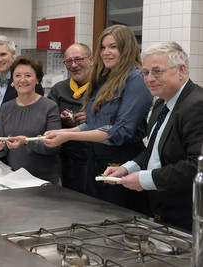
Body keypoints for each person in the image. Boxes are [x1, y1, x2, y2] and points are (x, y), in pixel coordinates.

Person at [42, 24, 153, 210]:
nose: (106, 52)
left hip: (122, 164)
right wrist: (60, 132)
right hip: (95, 163)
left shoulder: (137, 80)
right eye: (103, 47)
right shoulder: (105, 79)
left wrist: (68, 135)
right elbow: (92, 124)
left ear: (127, 48)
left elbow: (118, 132)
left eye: (113, 47)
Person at [103, 42, 203, 231]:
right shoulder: (160, 104)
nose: (149, 79)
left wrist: (146, 179)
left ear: (181, 70)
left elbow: (196, 166)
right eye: (145, 72)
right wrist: (127, 168)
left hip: (186, 213)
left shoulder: (197, 105)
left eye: (157, 72)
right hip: (158, 207)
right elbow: (154, 150)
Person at [0, 57, 61, 184]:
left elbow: (54, 147)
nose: (22, 80)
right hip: (13, 177)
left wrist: (26, 141)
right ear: (12, 79)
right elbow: (3, 148)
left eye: (28, 75)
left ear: (37, 80)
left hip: (42, 180)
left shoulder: (50, 107)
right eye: (17, 75)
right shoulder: (6, 108)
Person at [47, 43, 94, 192]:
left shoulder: (103, 88)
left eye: (78, 59)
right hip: (66, 157)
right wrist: (61, 119)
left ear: (91, 60)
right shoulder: (58, 89)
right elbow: (47, 119)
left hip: (94, 156)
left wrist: (92, 118)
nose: (73, 65)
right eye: (69, 61)